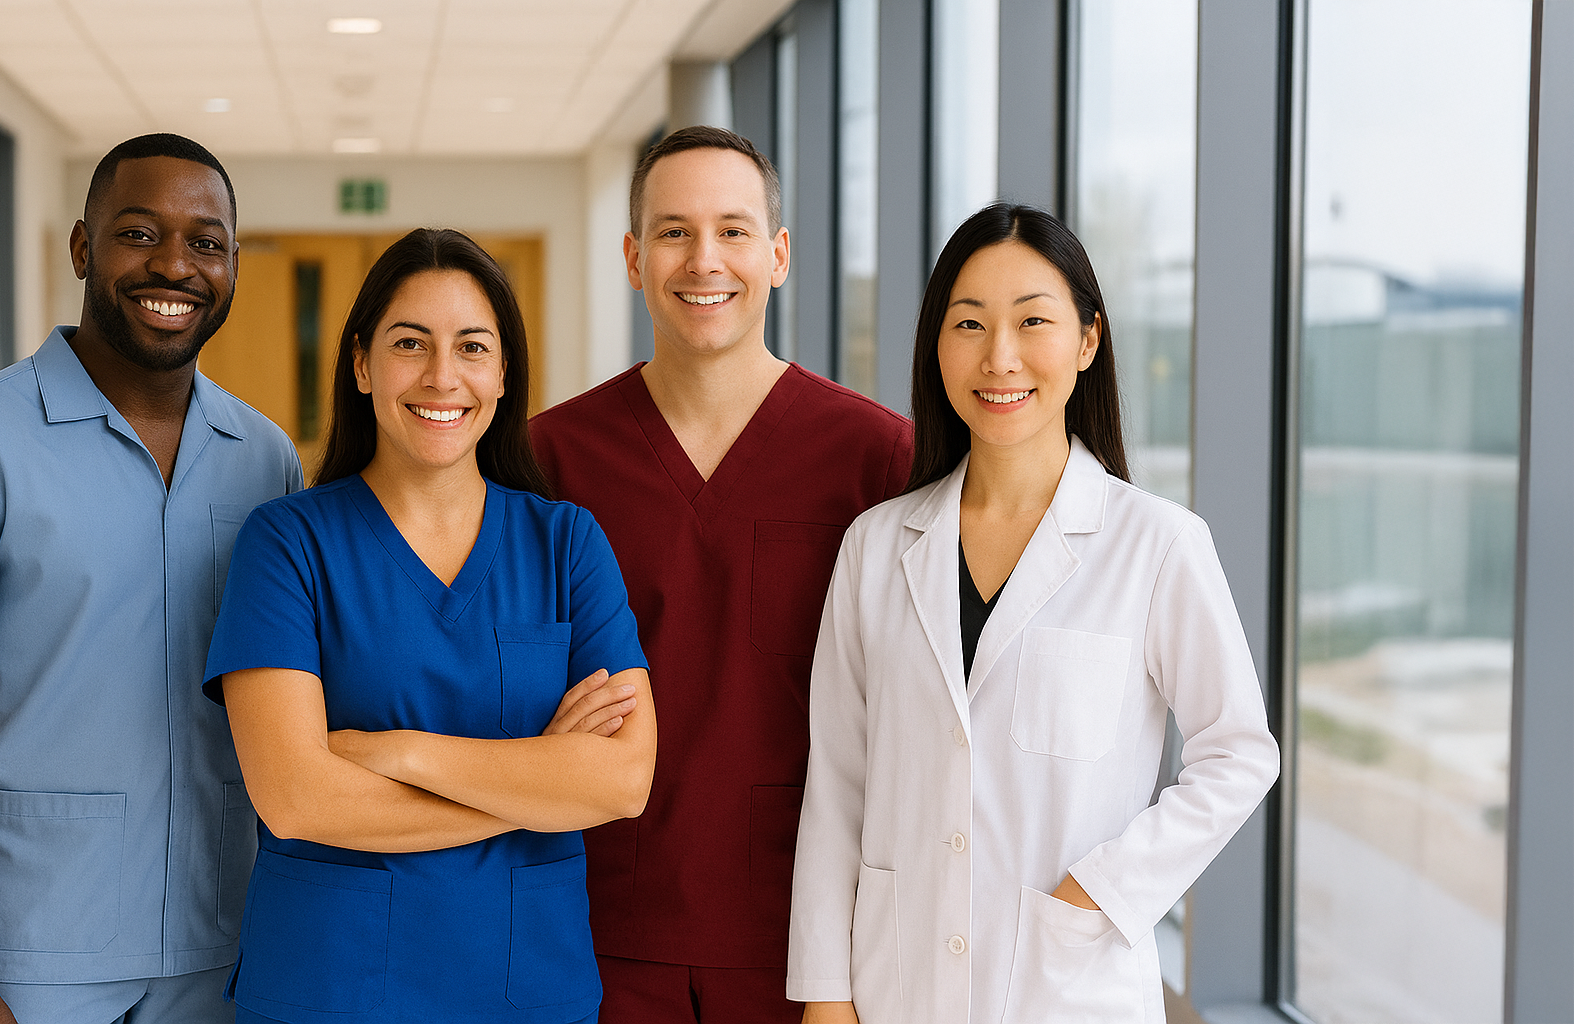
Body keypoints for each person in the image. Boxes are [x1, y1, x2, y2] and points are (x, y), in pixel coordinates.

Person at [786, 204, 1280, 1023]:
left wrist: (1101, 891)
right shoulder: (875, 547)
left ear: (1088, 341)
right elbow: (838, 783)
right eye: (969, 323)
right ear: (938, 346)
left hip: (1067, 990)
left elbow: (1239, 755)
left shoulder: (1156, 544)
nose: (999, 356)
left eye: (1033, 322)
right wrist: (827, 995)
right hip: (893, 986)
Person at [0, 133, 302, 1024]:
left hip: (226, 937)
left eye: (206, 242)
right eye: (139, 234)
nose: (174, 265)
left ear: (232, 265)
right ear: (81, 248)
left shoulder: (265, 458)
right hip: (32, 948)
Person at [204, 228, 657, 1024]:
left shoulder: (565, 542)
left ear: (504, 373)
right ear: (361, 364)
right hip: (331, 986)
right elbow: (297, 798)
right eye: (410, 343)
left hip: (524, 987)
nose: (443, 376)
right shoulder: (287, 542)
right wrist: (542, 783)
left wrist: (400, 752)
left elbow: (621, 781)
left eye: (472, 347)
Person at [529, 125, 916, 1024]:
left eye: (734, 231)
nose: (705, 259)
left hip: (807, 942)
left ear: (778, 255)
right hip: (596, 928)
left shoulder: (875, 458)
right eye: (673, 231)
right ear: (633, 256)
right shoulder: (553, 456)